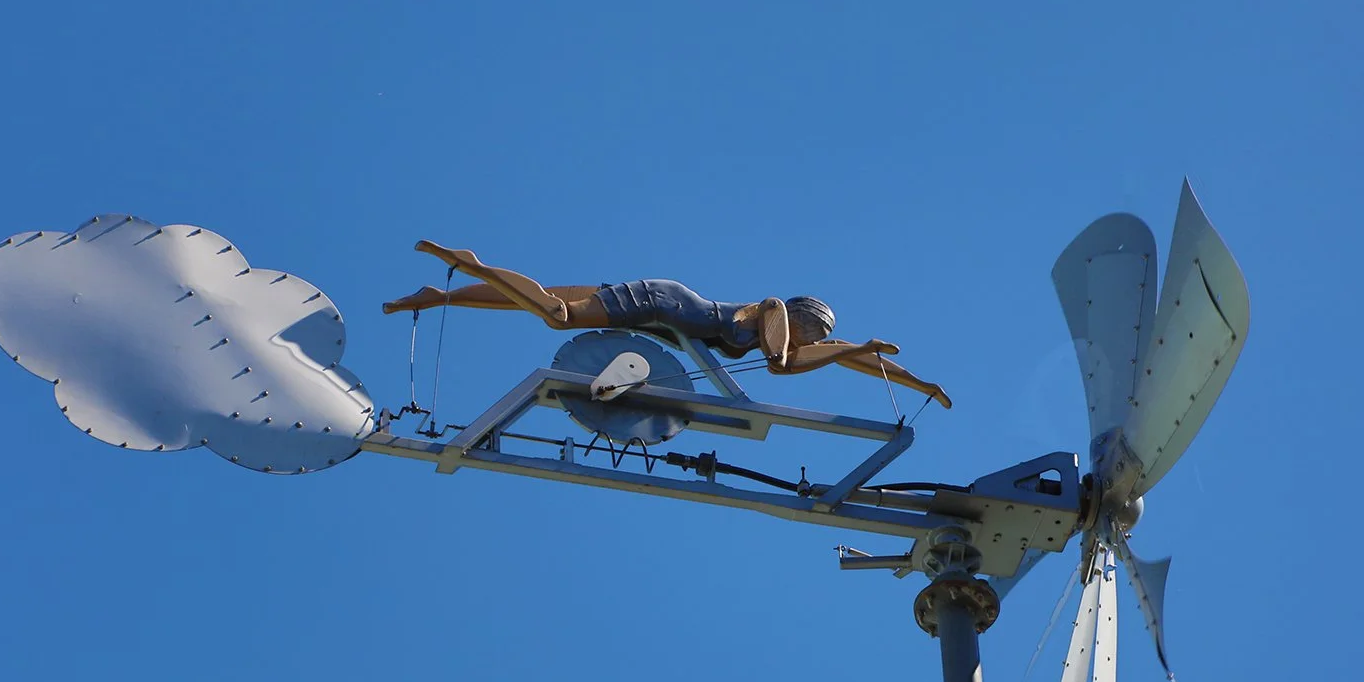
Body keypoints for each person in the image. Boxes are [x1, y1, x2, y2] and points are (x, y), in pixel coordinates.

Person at [383, 240, 952, 408]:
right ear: (803, 316)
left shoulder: (799, 341)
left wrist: (917, 384)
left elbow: (857, 357)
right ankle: (469, 263)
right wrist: (854, 349)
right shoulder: (775, 314)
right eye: (819, 331)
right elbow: (782, 367)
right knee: (557, 316)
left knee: (547, 301)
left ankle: (439, 296)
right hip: (663, 303)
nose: (820, 343)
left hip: (661, 317)